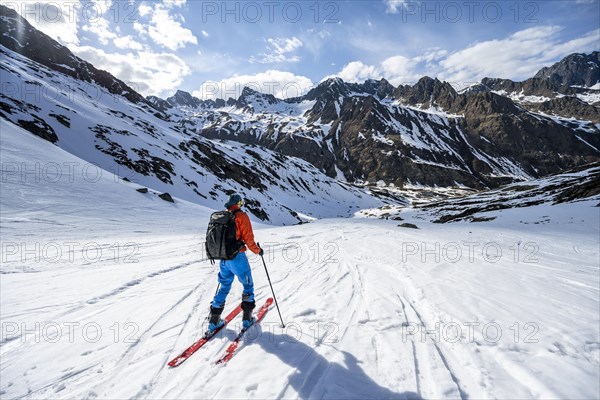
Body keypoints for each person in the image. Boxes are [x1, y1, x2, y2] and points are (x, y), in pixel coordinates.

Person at [207, 193, 264, 333]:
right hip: (237, 257)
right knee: (247, 285)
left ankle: (214, 321)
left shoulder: (223, 217)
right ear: (239, 203)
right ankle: (247, 319)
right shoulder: (241, 216)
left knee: (224, 285)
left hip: (223, 258)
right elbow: (249, 238)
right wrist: (258, 251)